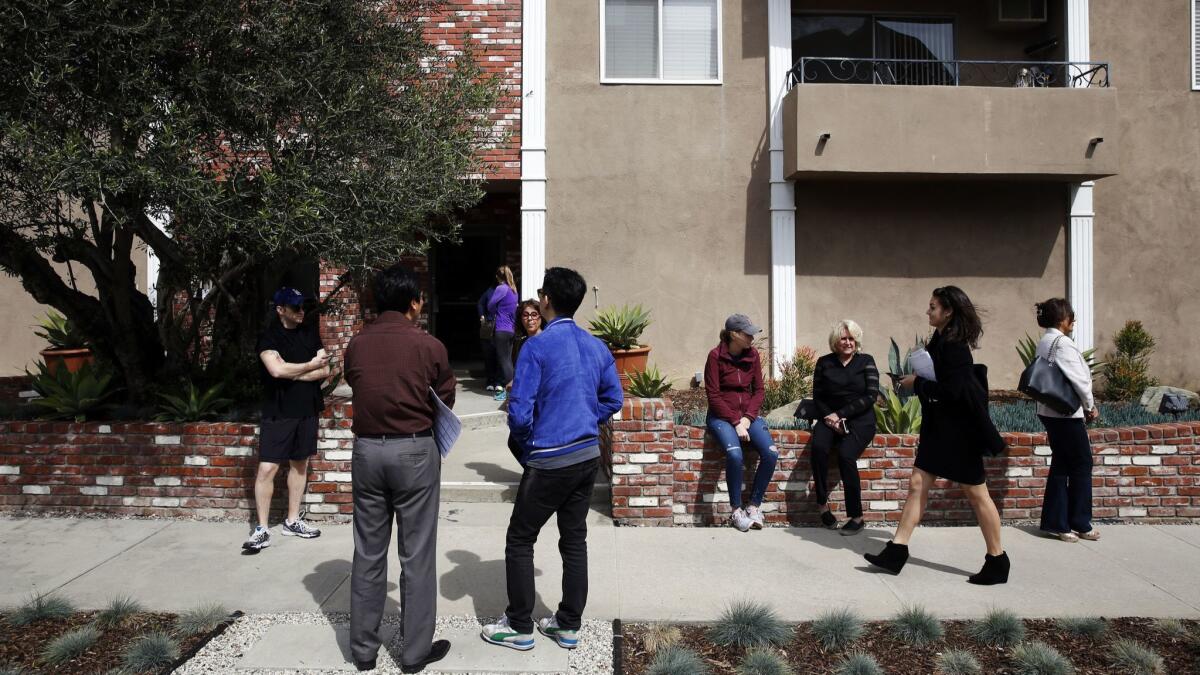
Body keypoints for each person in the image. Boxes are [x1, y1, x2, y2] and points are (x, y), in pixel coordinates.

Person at [481, 267, 623, 652]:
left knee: (520, 539)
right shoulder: (595, 346)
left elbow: (520, 412)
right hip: (586, 457)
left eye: (541, 292)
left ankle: (519, 626)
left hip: (550, 458)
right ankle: (567, 625)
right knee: (574, 540)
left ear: (547, 300)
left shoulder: (536, 347)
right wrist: (582, 417)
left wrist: (531, 446)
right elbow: (614, 399)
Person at [344, 264, 456, 673]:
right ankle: (413, 653)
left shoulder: (357, 344)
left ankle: (363, 651)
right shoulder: (429, 346)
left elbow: (356, 384)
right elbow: (444, 398)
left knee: (368, 552)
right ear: (413, 302)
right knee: (417, 554)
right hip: (413, 451)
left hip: (368, 451)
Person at [864, 286, 1010, 585]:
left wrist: (917, 382)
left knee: (976, 493)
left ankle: (997, 559)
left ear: (948, 311)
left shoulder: (956, 347)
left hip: (960, 432)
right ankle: (897, 550)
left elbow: (953, 391)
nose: (927, 311)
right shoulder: (940, 339)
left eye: (933, 307)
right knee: (918, 483)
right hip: (940, 429)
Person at [243, 287, 330, 553]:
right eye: (295, 308)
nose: (301, 312)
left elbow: (326, 369)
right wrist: (308, 365)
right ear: (280, 310)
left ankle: (292, 521)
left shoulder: (309, 334)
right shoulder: (269, 337)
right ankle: (261, 529)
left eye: (303, 307)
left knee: (300, 465)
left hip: (306, 408)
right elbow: (275, 370)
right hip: (278, 410)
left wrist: (293, 371)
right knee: (268, 468)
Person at [1033, 298, 1101, 543]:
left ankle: (1058, 524)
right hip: (1065, 413)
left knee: (1062, 463)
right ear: (1063, 319)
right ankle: (1080, 523)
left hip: (1049, 411)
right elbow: (1079, 380)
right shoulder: (1062, 343)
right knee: (1082, 463)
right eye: (1071, 316)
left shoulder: (1046, 341)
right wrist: (1090, 405)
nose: (1074, 321)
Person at [703, 314, 779, 532]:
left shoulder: (752, 355)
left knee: (771, 453)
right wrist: (736, 422)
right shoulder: (715, 357)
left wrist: (747, 418)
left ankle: (754, 506)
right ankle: (736, 511)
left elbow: (759, 391)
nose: (752, 337)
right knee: (735, 454)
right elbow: (714, 396)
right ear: (734, 334)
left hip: (747, 415)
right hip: (721, 416)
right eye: (747, 333)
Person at [810, 320, 879, 536]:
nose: (848, 342)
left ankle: (856, 517)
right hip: (829, 417)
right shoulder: (824, 362)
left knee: (846, 455)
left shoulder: (866, 361)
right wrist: (831, 418)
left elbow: (871, 396)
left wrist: (841, 415)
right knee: (819, 449)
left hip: (860, 419)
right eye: (843, 338)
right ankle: (822, 504)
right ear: (836, 341)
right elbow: (818, 396)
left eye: (851, 338)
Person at [487, 265, 519, 402]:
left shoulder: (501, 288)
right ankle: (513, 390)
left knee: (503, 361)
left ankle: (511, 392)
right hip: (511, 330)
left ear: (498, 276)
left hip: (501, 329)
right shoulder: (514, 290)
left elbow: (490, 305)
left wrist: (496, 311)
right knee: (508, 361)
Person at [511, 299, 545, 367]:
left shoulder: (548, 340)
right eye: (525, 315)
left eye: (534, 315)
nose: (529, 318)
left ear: (541, 317)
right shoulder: (519, 343)